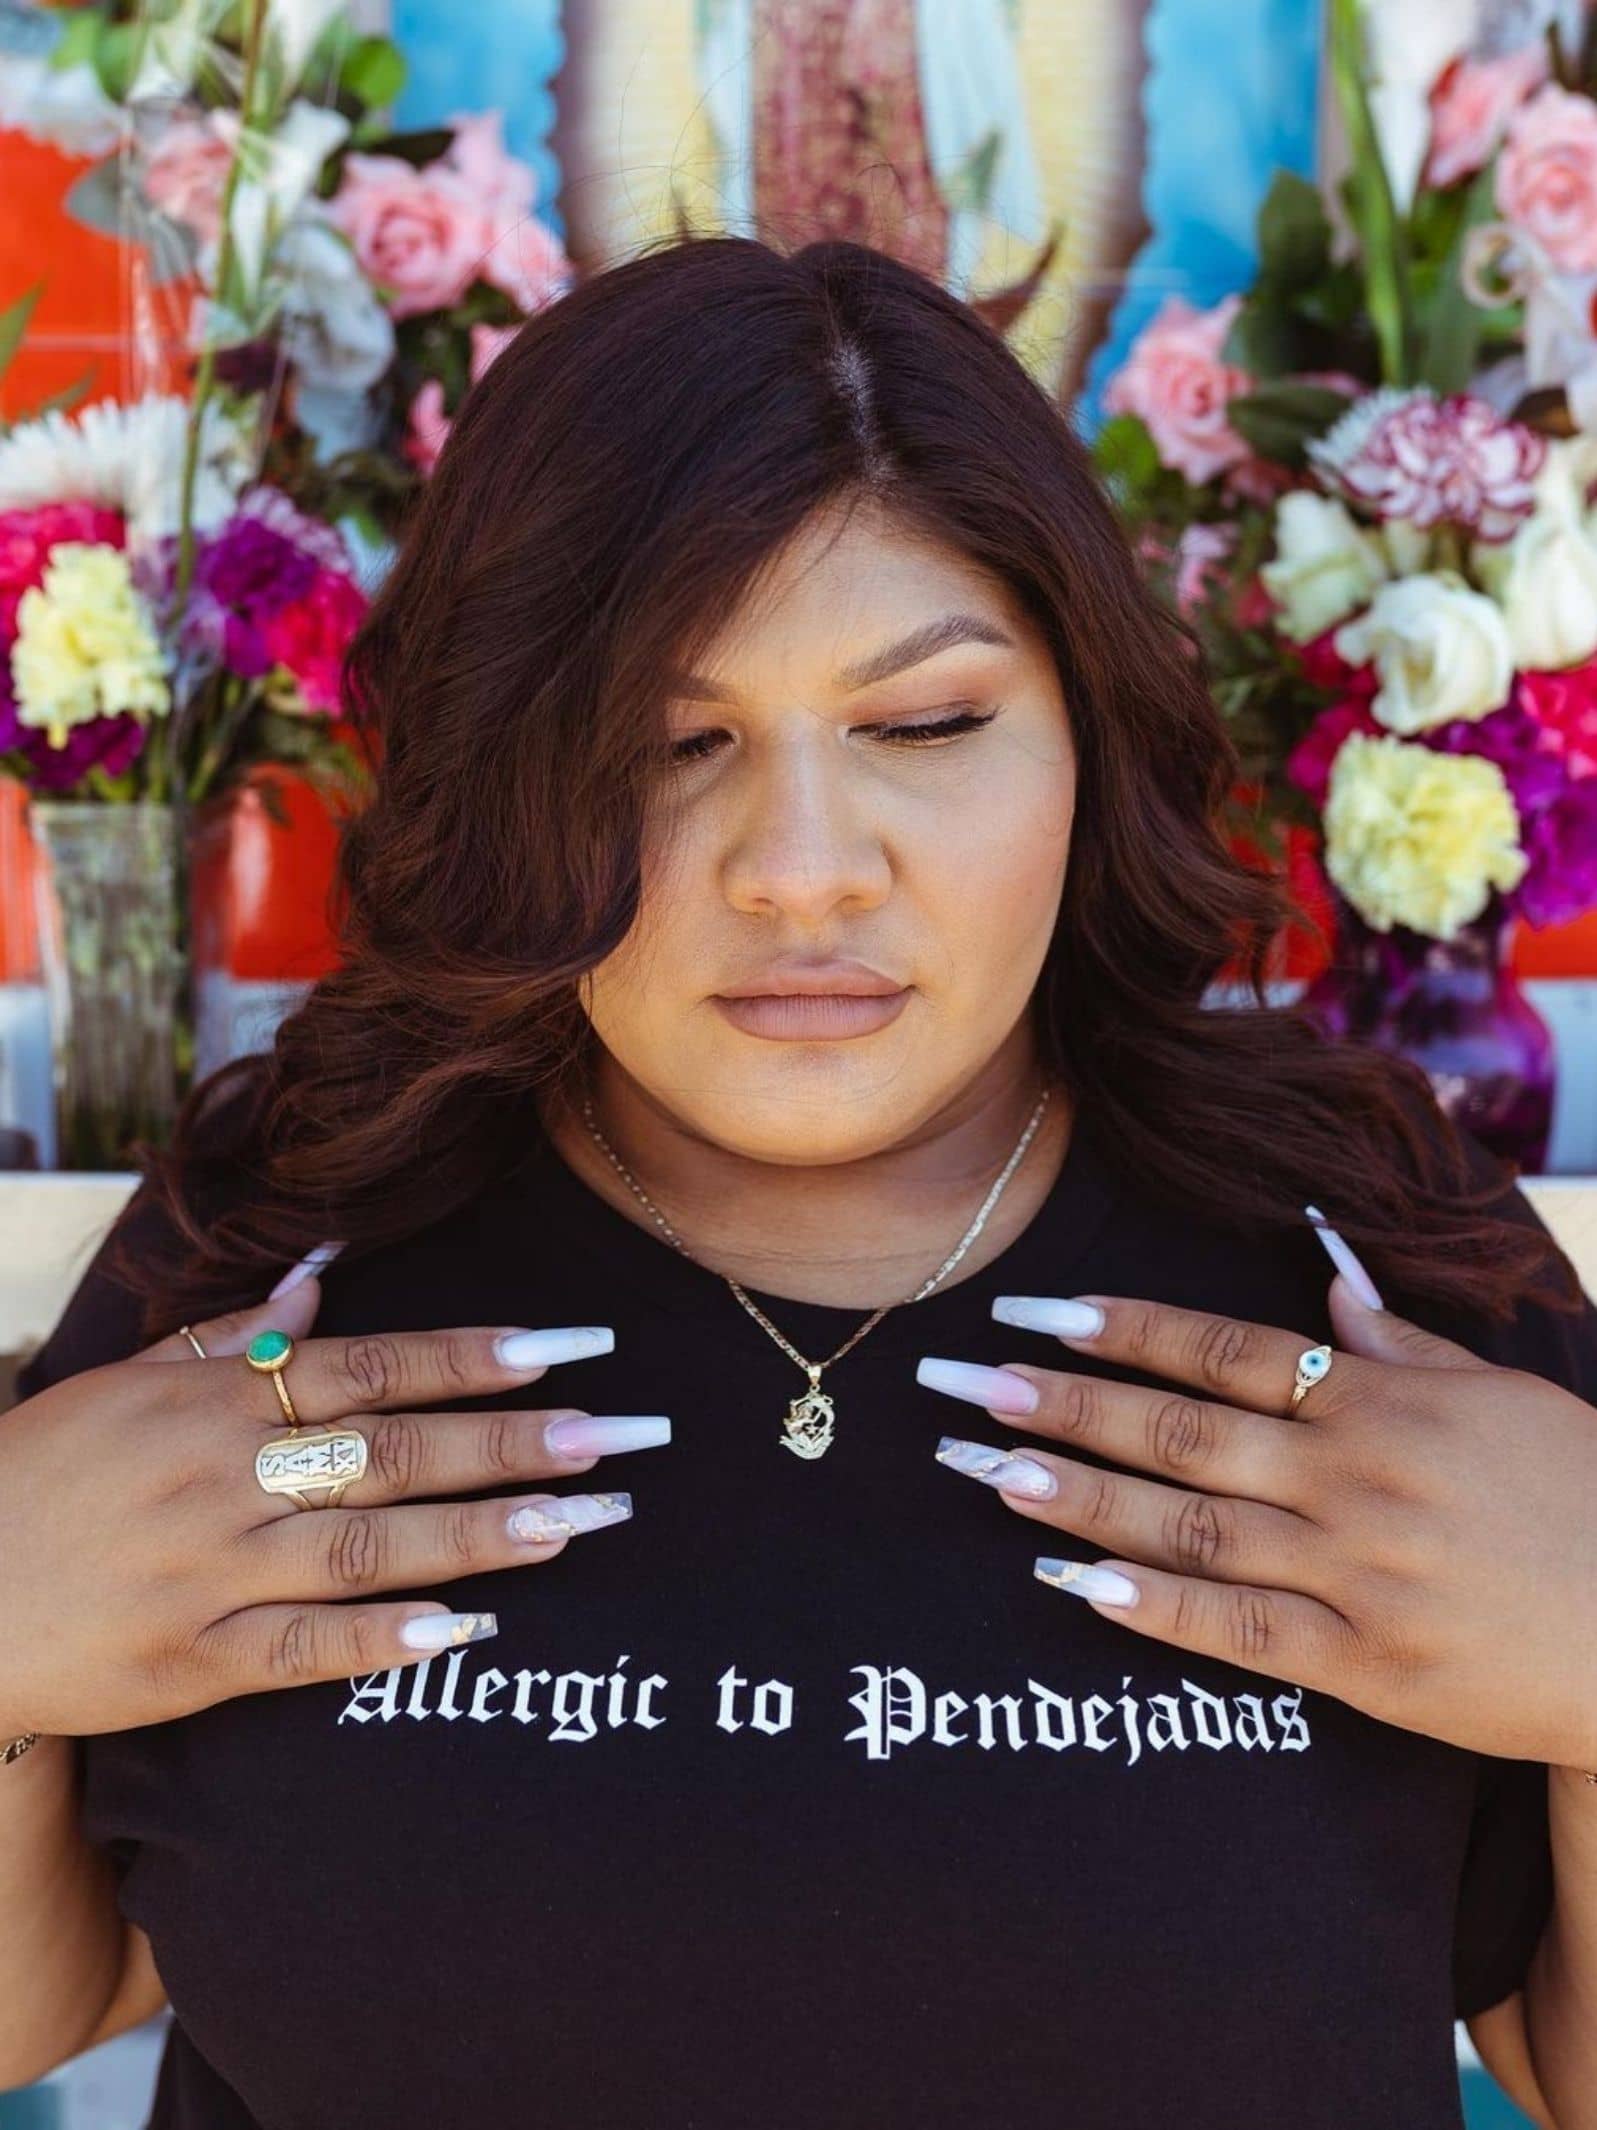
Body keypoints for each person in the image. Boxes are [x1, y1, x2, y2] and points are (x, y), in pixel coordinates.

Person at [2, 234, 1596, 2130]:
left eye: (924, 723)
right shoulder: (281, 1232)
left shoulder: (1363, 1242)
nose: (804, 868)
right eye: (669, 743)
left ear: (1084, 727)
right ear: (497, 761)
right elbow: (61, 1991)